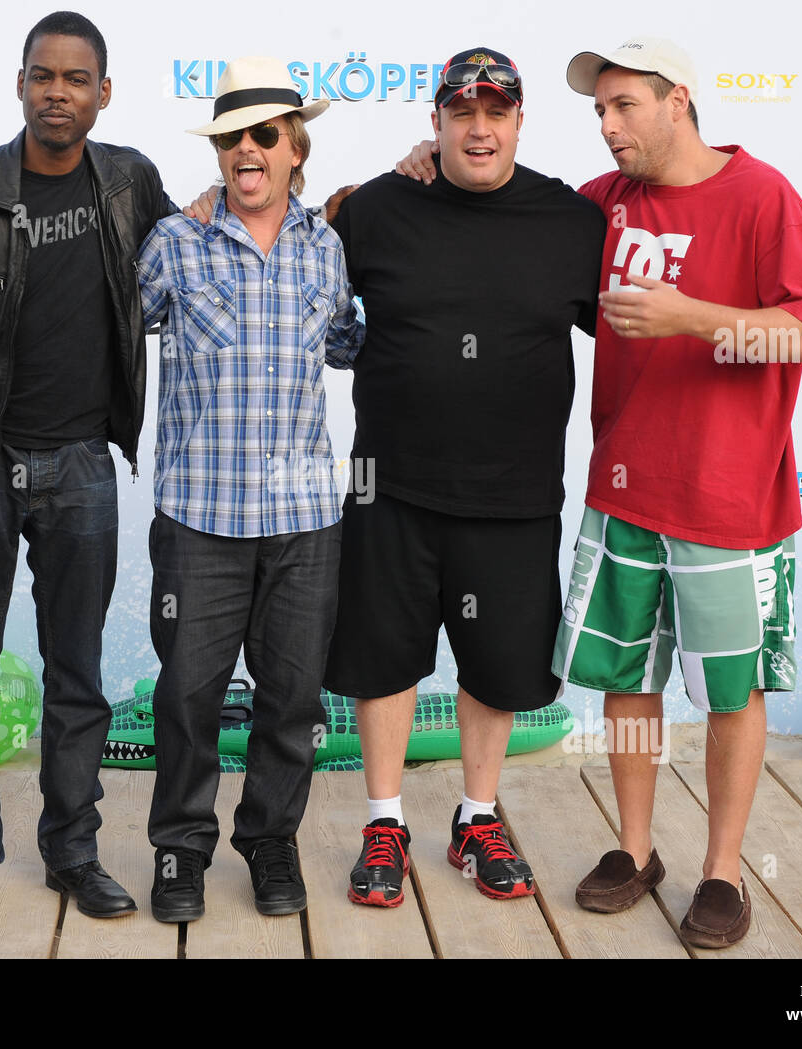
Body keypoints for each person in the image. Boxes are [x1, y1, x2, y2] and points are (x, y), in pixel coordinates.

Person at [0, 10, 176, 933]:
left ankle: (73, 851)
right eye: (42, 75)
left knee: (78, 673)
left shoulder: (131, 183)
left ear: (104, 91)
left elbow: (202, 257)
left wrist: (333, 206)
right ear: (19, 84)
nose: (58, 91)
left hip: (84, 465)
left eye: (75, 77)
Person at [554, 37, 802, 947]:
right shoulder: (605, 204)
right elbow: (507, 222)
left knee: (730, 691)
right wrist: (416, 168)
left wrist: (691, 319)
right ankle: (635, 850)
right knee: (629, 688)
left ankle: (721, 869)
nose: (607, 126)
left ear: (679, 100)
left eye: (624, 106)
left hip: (730, 501)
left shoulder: (762, 197)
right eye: (598, 111)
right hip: (624, 490)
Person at [324, 49, 605, 907]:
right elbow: (285, 252)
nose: (479, 128)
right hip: (390, 487)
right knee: (384, 658)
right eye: (462, 112)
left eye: (496, 111)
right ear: (435, 122)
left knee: (496, 665)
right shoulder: (375, 209)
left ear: (520, 120)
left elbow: (636, 332)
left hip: (515, 493)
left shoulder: (571, 221)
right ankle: (383, 820)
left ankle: (477, 816)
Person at [135, 56, 363, 922]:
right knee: (189, 694)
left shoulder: (327, 248)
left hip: (305, 519)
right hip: (199, 516)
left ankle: (271, 841)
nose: (246, 150)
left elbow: (345, 344)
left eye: (263, 134)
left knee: (293, 698)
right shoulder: (175, 243)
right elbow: (112, 337)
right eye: (231, 137)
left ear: (295, 147)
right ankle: (179, 849)